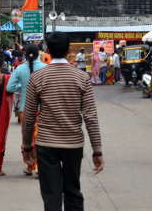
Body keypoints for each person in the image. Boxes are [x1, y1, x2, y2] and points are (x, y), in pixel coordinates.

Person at [22, 32, 103, 211]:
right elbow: (90, 117)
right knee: (73, 191)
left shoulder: (37, 77)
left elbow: (28, 116)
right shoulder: (81, 78)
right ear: (69, 51)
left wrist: (27, 146)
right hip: (73, 145)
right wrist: (97, 151)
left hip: (46, 145)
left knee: (51, 195)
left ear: (48, 50)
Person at [7, 44, 47, 176]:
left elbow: (9, 88)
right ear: (38, 54)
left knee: (28, 139)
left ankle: (30, 166)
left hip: (25, 110)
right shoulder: (45, 68)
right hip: (43, 110)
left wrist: (22, 86)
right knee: (41, 139)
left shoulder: (19, 69)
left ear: (25, 54)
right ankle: (41, 168)